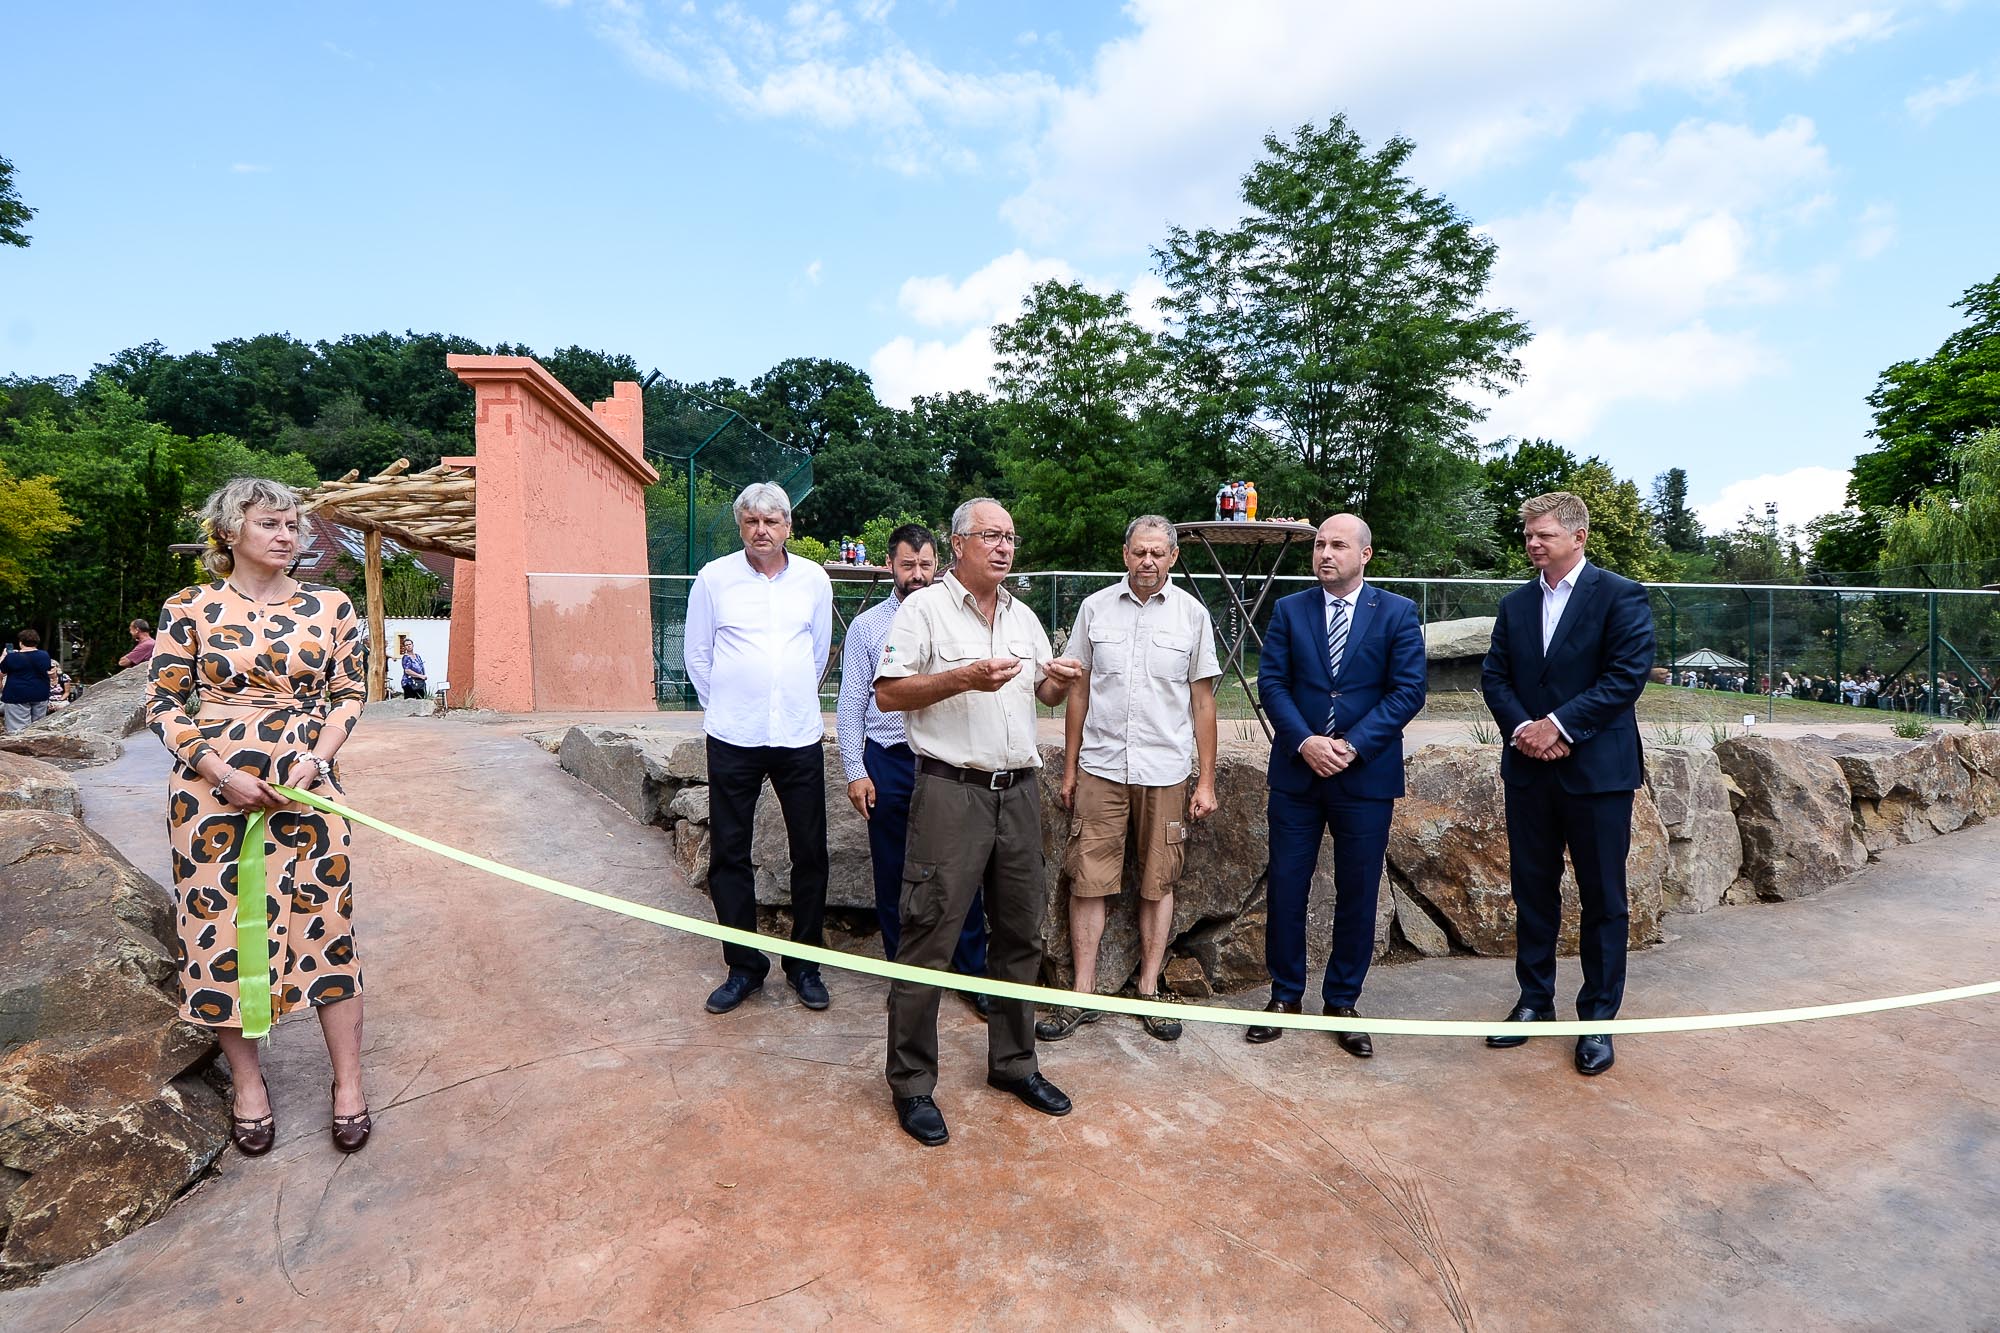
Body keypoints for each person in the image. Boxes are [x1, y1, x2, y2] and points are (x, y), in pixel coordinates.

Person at [145, 477, 373, 1155]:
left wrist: (316, 761)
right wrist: (220, 771)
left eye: (294, 525)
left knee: (328, 925)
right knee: (219, 932)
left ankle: (349, 1085)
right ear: (230, 532)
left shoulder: (331, 605)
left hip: (308, 791)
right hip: (212, 796)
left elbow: (349, 692)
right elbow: (162, 706)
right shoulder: (189, 607)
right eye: (272, 523)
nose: (287, 535)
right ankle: (249, 1085)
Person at [873, 497, 1084, 1147]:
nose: (1003, 547)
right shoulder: (923, 608)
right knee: (930, 934)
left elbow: (1039, 697)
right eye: (990, 535)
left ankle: (1014, 1063)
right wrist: (961, 677)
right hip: (950, 791)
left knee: (1021, 931)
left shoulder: (1023, 617)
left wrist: (1060, 681)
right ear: (958, 543)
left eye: (1011, 537)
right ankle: (911, 1082)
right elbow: (889, 691)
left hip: (1019, 791)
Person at [1479, 491, 1655, 1077]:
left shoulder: (1620, 596)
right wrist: (1524, 731)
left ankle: (1597, 1020)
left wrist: (1557, 726)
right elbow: (1495, 676)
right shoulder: (1514, 604)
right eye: (1528, 533)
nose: (1532, 542)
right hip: (1530, 772)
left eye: (1544, 534)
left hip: (1596, 774)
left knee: (1604, 899)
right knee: (1533, 891)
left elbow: (1625, 677)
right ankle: (1534, 1001)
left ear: (1578, 538)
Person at [1039, 515, 1220, 1044]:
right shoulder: (1095, 609)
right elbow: (1078, 691)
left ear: (1172, 558)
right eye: (1139, 552)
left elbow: (1203, 702)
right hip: (1100, 767)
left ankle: (1147, 988)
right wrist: (1070, 769)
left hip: (1165, 771)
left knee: (1158, 879)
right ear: (1125, 555)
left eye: (1158, 553)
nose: (1148, 561)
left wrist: (1204, 781)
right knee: (1087, 878)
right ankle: (1084, 993)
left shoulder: (1193, 615)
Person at [1250, 514, 1426, 1055]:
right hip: (1297, 775)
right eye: (1320, 544)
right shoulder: (1289, 610)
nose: (1325, 553)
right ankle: (1285, 995)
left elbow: (1408, 691)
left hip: (1364, 777)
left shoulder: (1397, 613)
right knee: (1285, 887)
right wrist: (1304, 741)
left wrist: (1350, 746)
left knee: (1357, 891)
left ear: (1364, 554)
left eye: (1338, 545)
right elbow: (1272, 683)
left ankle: (1343, 1001)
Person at [684, 481, 834, 1016]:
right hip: (733, 738)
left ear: (789, 527)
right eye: (752, 522)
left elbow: (817, 654)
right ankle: (744, 967)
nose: (761, 531)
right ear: (740, 526)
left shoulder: (814, 580)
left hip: (797, 736)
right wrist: (730, 706)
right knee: (729, 853)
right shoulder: (714, 579)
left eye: (772, 522)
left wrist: (785, 697)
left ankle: (805, 963)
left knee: (811, 852)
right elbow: (698, 655)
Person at [834, 523, 992, 1016]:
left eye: (926, 565)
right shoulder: (867, 628)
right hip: (890, 761)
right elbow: (852, 704)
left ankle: (971, 973)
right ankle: (903, 978)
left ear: (939, 564)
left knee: (959, 871)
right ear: (890, 566)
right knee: (892, 873)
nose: (918, 575)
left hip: (946, 760)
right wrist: (855, 770)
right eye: (908, 565)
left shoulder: (953, 619)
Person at [1, 629, 57, 734]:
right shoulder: (44, 655)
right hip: (40, 694)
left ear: (20, 642)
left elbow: (1, 672)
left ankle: (17, 749)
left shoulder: (12, 657)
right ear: (36, 642)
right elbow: (49, 671)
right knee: (37, 728)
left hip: (16, 695)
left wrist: (3, 656)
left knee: (17, 730)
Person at [397, 634, 428, 698]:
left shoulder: (417, 656)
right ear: (404, 647)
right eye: (406, 645)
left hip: (419, 683)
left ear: (413, 645)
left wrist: (423, 676)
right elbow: (407, 670)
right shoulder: (406, 657)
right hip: (409, 683)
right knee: (410, 702)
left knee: (421, 700)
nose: (408, 646)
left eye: (409, 644)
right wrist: (420, 676)